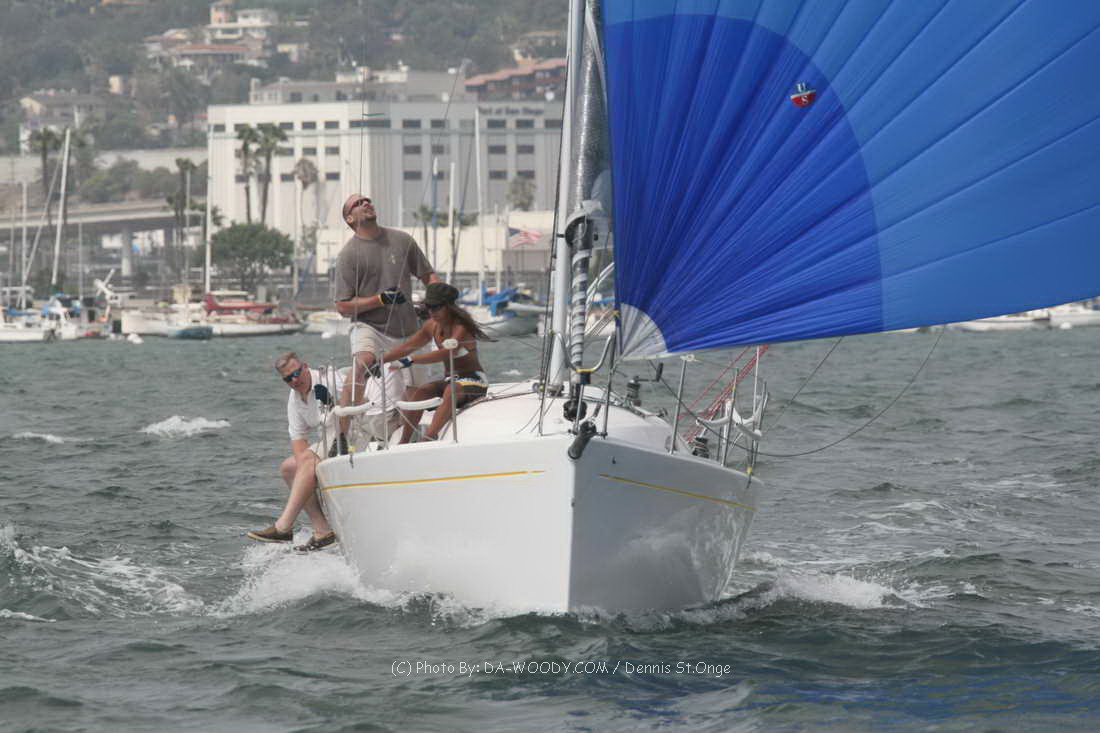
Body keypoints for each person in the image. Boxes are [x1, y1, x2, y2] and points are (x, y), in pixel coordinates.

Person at [247, 351, 402, 550]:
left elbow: (359, 396)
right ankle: (322, 530)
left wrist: (318, 457)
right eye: (288, 379)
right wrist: (307, 473)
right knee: (289, 468)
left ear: (305, 366)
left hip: (356, 432)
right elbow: (298, 439)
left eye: (296, 373)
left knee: (307, 462)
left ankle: (283, 526)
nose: (294, 380)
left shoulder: (329, 379)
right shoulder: (294, 399)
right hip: (329, 438)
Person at [332, 193, 440, 455]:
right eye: (358, 203)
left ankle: (403, 440)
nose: (366, 203)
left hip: (409, 328)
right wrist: (379, 299)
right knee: (361, 364)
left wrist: (438, 301)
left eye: (367, 200)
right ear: (350, 218)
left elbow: (429, 276)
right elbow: (342, 306)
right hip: (370, 327)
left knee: (417, 386)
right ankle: (341, 435)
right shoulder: (348, 255)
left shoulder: (402, 240)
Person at [381, 282, 490, 443]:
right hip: (451, 380)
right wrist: (379, 361)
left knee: (452, 389)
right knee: (423, 391)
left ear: (449, 306)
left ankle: (429, 437)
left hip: (475, 380)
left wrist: (412, 360)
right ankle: (403, 442)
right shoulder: (431, 326)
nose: (431, 312)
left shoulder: (461, 326)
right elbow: (408, 347)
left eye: (436, 307)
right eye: (428, 307)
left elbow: (448, 352)